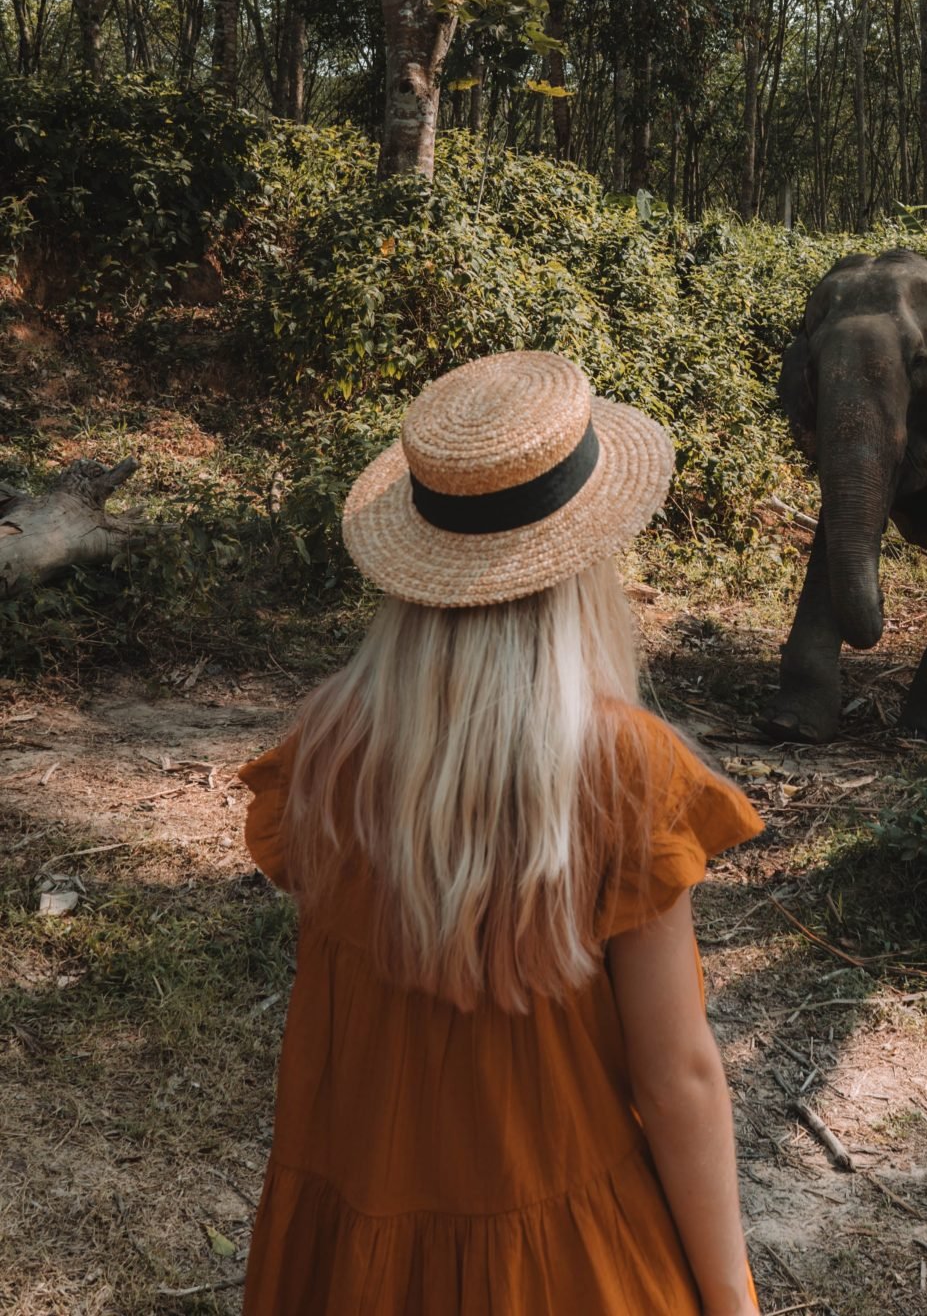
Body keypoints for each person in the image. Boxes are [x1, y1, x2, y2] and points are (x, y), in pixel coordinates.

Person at [237, 351, 764, 1315]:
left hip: (357, 1257)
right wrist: (731, 1301)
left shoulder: (325, 753)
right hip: (565, 1270)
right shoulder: (626, 775)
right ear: (587, 562)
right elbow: (680, 1078)